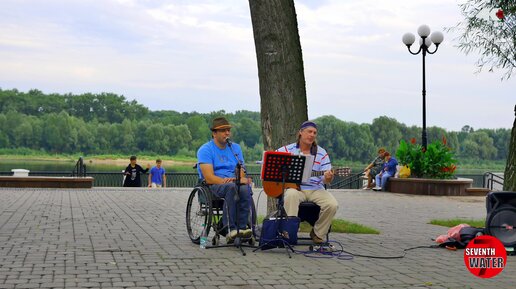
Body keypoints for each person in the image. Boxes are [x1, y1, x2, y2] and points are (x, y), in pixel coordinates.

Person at [276, 121, 338, 244]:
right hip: (295, 188)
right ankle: (289, 233)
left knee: (332, 204)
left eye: (314, 133)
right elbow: (269, 161)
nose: (312, 135)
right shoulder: (287, 149)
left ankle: (318, 233)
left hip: (316, 188)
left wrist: (328, 177)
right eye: (309, 132)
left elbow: (326, 180)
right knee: (291, 194)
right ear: (301, 132)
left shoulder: (321, 153)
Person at [197, 117, 253, 243]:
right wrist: (227, 181)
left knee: (245, 188)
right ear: (214, 133)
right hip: (212, 186)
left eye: (228, 130)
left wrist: (240, 178)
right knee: (232, 187)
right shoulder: (205, 150)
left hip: (232, 184)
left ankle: (242, 228)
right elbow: (209, 177)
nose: (227, 133)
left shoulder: (235, 148)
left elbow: (240, 168)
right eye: (223, 130)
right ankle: (230, 229)